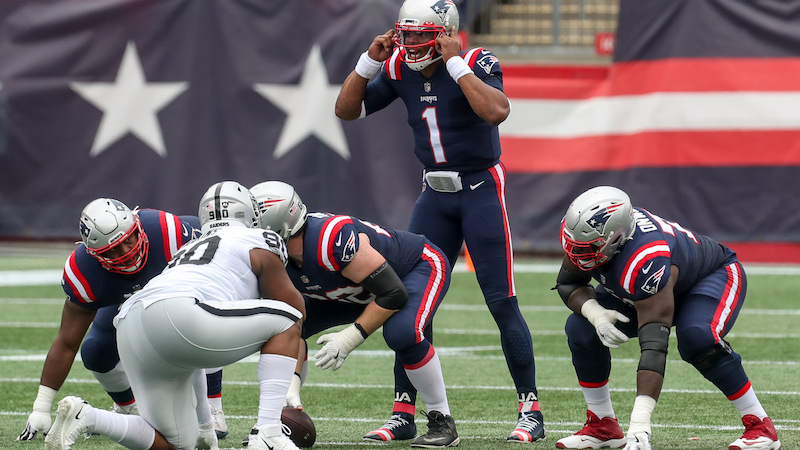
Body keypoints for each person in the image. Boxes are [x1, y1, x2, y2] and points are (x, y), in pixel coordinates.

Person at [334, 0, 545, 443]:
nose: (409, 46)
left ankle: (531, 409)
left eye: (419, 36)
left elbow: (496, 112)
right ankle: (404, 411)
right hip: (434, 195)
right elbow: (346, 110)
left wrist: (454, 65)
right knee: (411, 301)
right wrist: (367, 63)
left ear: (445, 32)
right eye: (405, 36)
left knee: (501, 301)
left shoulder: (475, 60)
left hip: (480, 191)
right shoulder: (396, 66)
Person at [44, 181, 307, 450]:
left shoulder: (185, 249)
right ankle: (268, 431)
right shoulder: (258, 238)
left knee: (177, 444)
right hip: (180, 314)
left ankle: (89, 417)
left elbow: (189, 357)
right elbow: (295, 310)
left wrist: (205, 425)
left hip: (131, 325)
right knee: (287, 319)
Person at [553, 186, 782, 450]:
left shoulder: (646, 256)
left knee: (697, 337)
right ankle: (602, 425)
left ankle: (760, 426)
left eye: (587, 248)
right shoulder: (596, 237)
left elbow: (654, 346)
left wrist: (640, 424)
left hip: (709, 277)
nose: (576, 255)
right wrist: (596, 314)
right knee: (581, 328)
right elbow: (568, 283)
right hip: (653, 286)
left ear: (615, 238)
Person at [251, 180, 459, 448]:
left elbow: (393, 293)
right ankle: (271, 421)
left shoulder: (331, 239)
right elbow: (292, 317)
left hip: (413, 269)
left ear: (280, 225)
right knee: (285, 324)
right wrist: (290, 385)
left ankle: (442, 420)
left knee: (402, 332)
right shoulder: (277, 253)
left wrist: (350, 338)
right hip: (355, 289)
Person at [17, 198, 229, 442]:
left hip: (181, 284)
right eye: (112, 250)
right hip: (127, 297)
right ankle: (129, 407)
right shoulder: (84, 272)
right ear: (94, 253)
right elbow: (67, 343)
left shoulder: (169, 234)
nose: (126, 252)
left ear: (137, 227)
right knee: (96, 351)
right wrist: (41, 406)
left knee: (197, 322)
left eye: (128, 239)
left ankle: (213, 407)